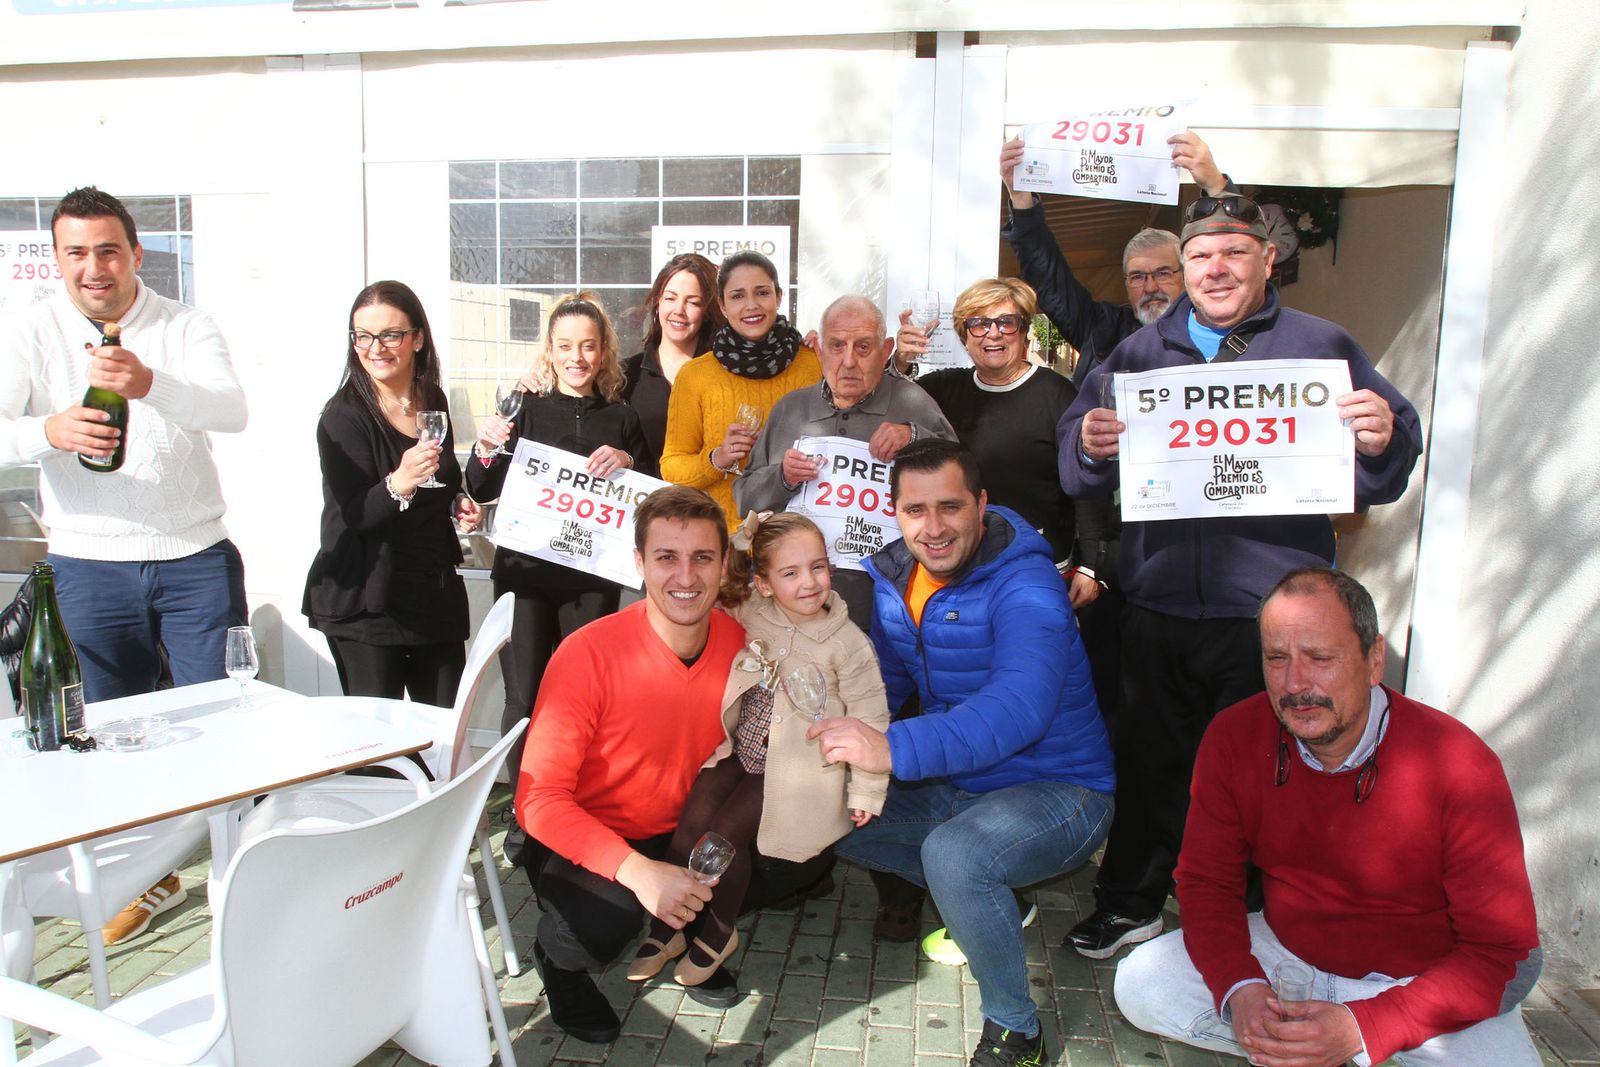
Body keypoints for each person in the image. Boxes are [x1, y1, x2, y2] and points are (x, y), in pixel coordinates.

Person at [1057, 193, 1424, 961]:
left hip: (1271, 615)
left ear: (1266, 259)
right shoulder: (1140, 352)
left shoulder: (1320, 344)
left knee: (1268, 774)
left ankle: (1261, 919)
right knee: (1152, 762)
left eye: (1233, 252)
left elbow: (1387, 463)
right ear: (1183, 267)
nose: (1215, 267)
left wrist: (1383, 437)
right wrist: (1091, 444)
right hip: (1156, 601)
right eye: (1201, 255)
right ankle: (1131, 902)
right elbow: (1077, 466)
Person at [1114, 567, 1542, 1067]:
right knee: (1141, 982)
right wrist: (1241, 988)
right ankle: (1304, 1049)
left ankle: (1342, 1047)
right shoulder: (1234, 735)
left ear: (1374, 659)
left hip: (1417, 982)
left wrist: (1365, 1025)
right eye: (1276, 659)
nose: (1295, 684)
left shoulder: (1457, 762)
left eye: (1320, 659)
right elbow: (1206, 882)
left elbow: (1505, 954)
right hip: (1287, 959)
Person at [813, 439, 1115, 1067]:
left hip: (1062, 790)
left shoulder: (1028, 585)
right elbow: (886, 689)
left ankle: (1016, 1032)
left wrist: (889, 747)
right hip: (962, 782)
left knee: (956, 854)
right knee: (822, 812)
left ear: (981, 504)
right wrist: (817, 738)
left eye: (950, 506)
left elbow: (1019, 707)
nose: (934, 527)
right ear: (893, 512)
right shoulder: (895, 579)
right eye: (916, 510)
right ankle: (990, 898)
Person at [0, 186, 249, 945]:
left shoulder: (183, 322)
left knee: (221, 726)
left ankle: (236, 880)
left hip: (193, 558)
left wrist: (150, 384)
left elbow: (231, 410)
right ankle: (146, 878)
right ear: (57, 258)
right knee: (108, 733)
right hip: (89, 564)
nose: (94, 267)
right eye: (76, 251)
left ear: (136, 253)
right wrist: (50, 427)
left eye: (108, 249)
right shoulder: (31, 327)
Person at [627, 511, 889, 1005]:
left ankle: (720, 929)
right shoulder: (752, 609)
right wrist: (744, 535)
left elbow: (872, 719)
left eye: (818, 567)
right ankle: (671, 923)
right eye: (789, 573)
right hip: (741, 749)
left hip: (793, 769)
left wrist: (868, 790)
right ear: (764, 584)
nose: (809, 582)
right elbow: (721, 575)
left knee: (724, 838)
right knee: (691, 824)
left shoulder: (848, 643)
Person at [514, 485, 744, 1044]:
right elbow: (535, 798)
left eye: (702, 557)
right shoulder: (588, 653)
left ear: (723, 565)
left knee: (790, 867)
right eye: (666, 557)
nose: (685, 576)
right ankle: (559, 959)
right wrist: (638, 872)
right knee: (604, 920)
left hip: (681, 829)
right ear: (639, 563)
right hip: (590, 833)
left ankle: (684, 928)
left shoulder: (741, 642)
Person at [466, 292, 650, 863]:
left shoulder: (621, 418)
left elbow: (648, 496)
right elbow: (479, 486)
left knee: (579, 703)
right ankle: (527, 813)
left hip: (590, 583)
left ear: (603, 352)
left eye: (588, 346)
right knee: (522, 698)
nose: (577, 357)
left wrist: (628, 463)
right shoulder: (524, 408)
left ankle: (574, 810)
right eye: (565, 346)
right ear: (549, 349)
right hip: (524, 579)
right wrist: (488, 445)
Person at [303, 280, 480, 705]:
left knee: (439, 735)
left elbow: (445, 478)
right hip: (366, 602)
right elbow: (356, 515)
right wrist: (398, 482)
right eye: (363, 335)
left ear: (417, 339)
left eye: (389, 334)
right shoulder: (342, 416)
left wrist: (457, 503)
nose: (375, 347)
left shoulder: (430, 399)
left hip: (430, 594)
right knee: (381, 748)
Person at [734, 295, 955, 626]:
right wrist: (783, 477)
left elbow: (958, 480)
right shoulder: (790, 410)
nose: (849, 361)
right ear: (820, 350)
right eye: (837, 346)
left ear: (886, 351)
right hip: (793, 611)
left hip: (887, 611)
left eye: (863, 347)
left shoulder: (913, 402)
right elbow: (744, 500)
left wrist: (913, 437)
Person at [906, 277, 1102, 613]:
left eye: (1006, 322)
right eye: (979, 323)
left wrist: (1092, 563)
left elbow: (1084, 481)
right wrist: (899, 360)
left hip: (1038, 570)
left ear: (1024, 330)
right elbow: (887, 397)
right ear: (964, 335)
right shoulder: (945, 388)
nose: (993, 333)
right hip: (963, 571)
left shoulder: (1057, 395)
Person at [659, 251, 821, 528]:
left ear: (779, 296)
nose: (751, 306)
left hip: (793, 544)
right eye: (737, 296)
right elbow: (671, 467)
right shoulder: (696, 375)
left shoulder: (813, 364)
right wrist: (717, 459)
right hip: (721, 545)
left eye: (761, 293)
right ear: (722, 305)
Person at [621, 253, 724, 470]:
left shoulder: (725, 373)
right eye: (670, 298)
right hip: (645, 501)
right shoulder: (625, 375)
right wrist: (536, 382)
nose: (679, 310)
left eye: (693, 302)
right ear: (657, 301)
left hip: (709, 501)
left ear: (707, 310)